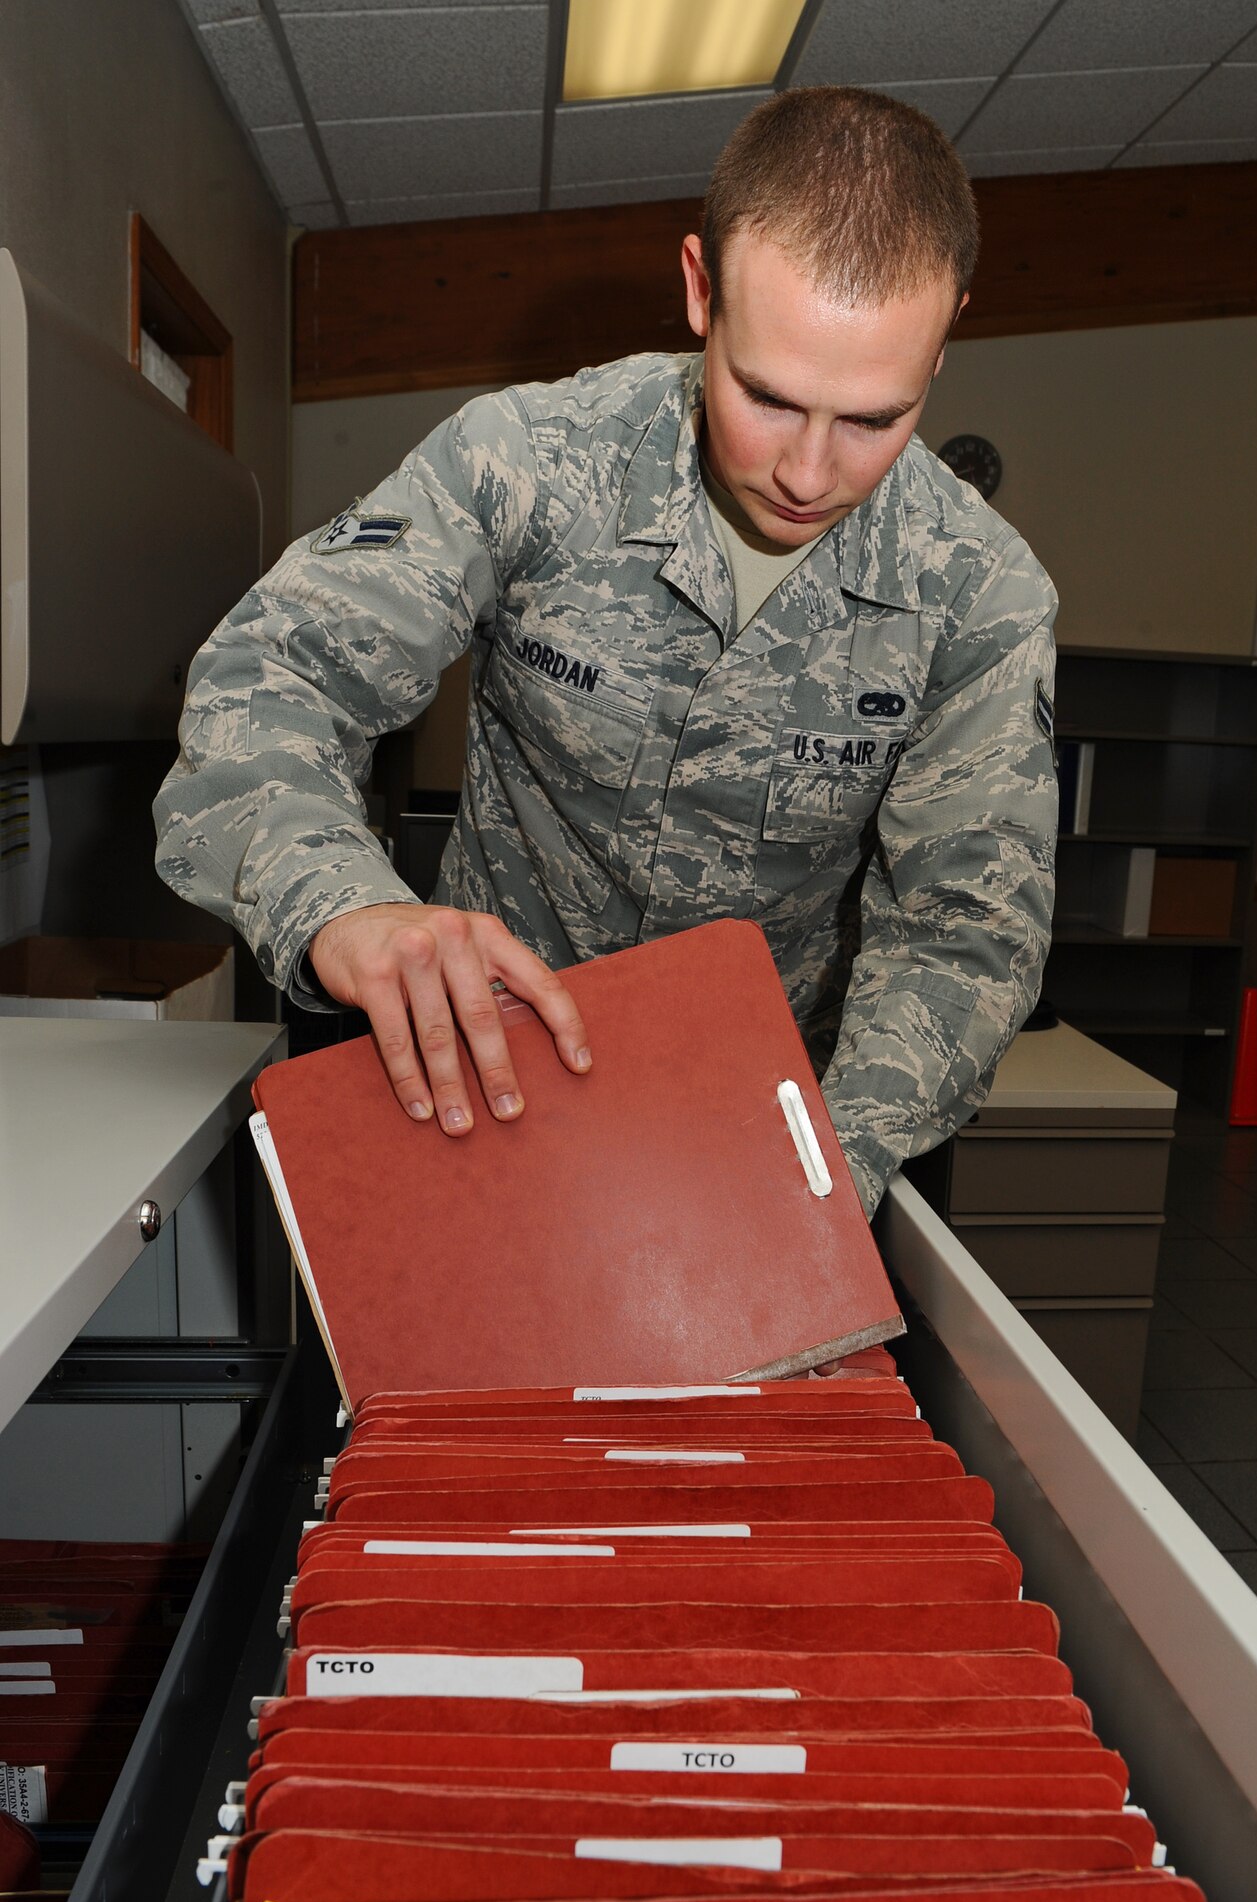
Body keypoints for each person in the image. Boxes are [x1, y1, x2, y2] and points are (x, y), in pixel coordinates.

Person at [155, 86, 1057, 1218]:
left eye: (875, 418)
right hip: (480, 1088)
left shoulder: (979, 590)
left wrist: (837, 1157)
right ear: (698, 287)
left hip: (764, 1128)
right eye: (768, 397)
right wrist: (341, 904)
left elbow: (966, 925)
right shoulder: (527, 462)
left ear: (949, 329)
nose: (810, 472)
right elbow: (269, 676)